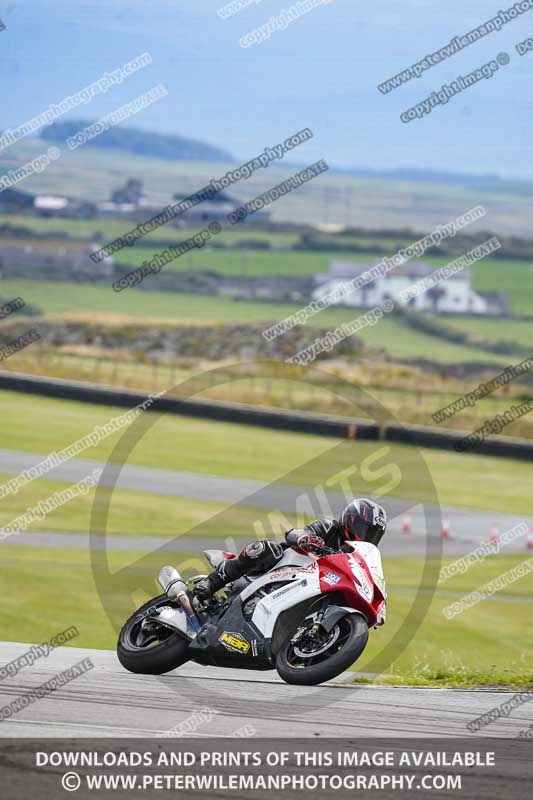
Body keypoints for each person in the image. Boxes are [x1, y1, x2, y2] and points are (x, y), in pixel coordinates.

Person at [193, 498, 387, 600]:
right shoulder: (329, 528)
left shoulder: (355, 556)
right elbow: (294, 533)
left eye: (374, 533)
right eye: (366, 529)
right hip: (281, 568)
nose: (367, 536)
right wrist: (305, 539)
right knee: (266, 548)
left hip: (309, 586)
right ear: (351, 520)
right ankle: (211, 583)